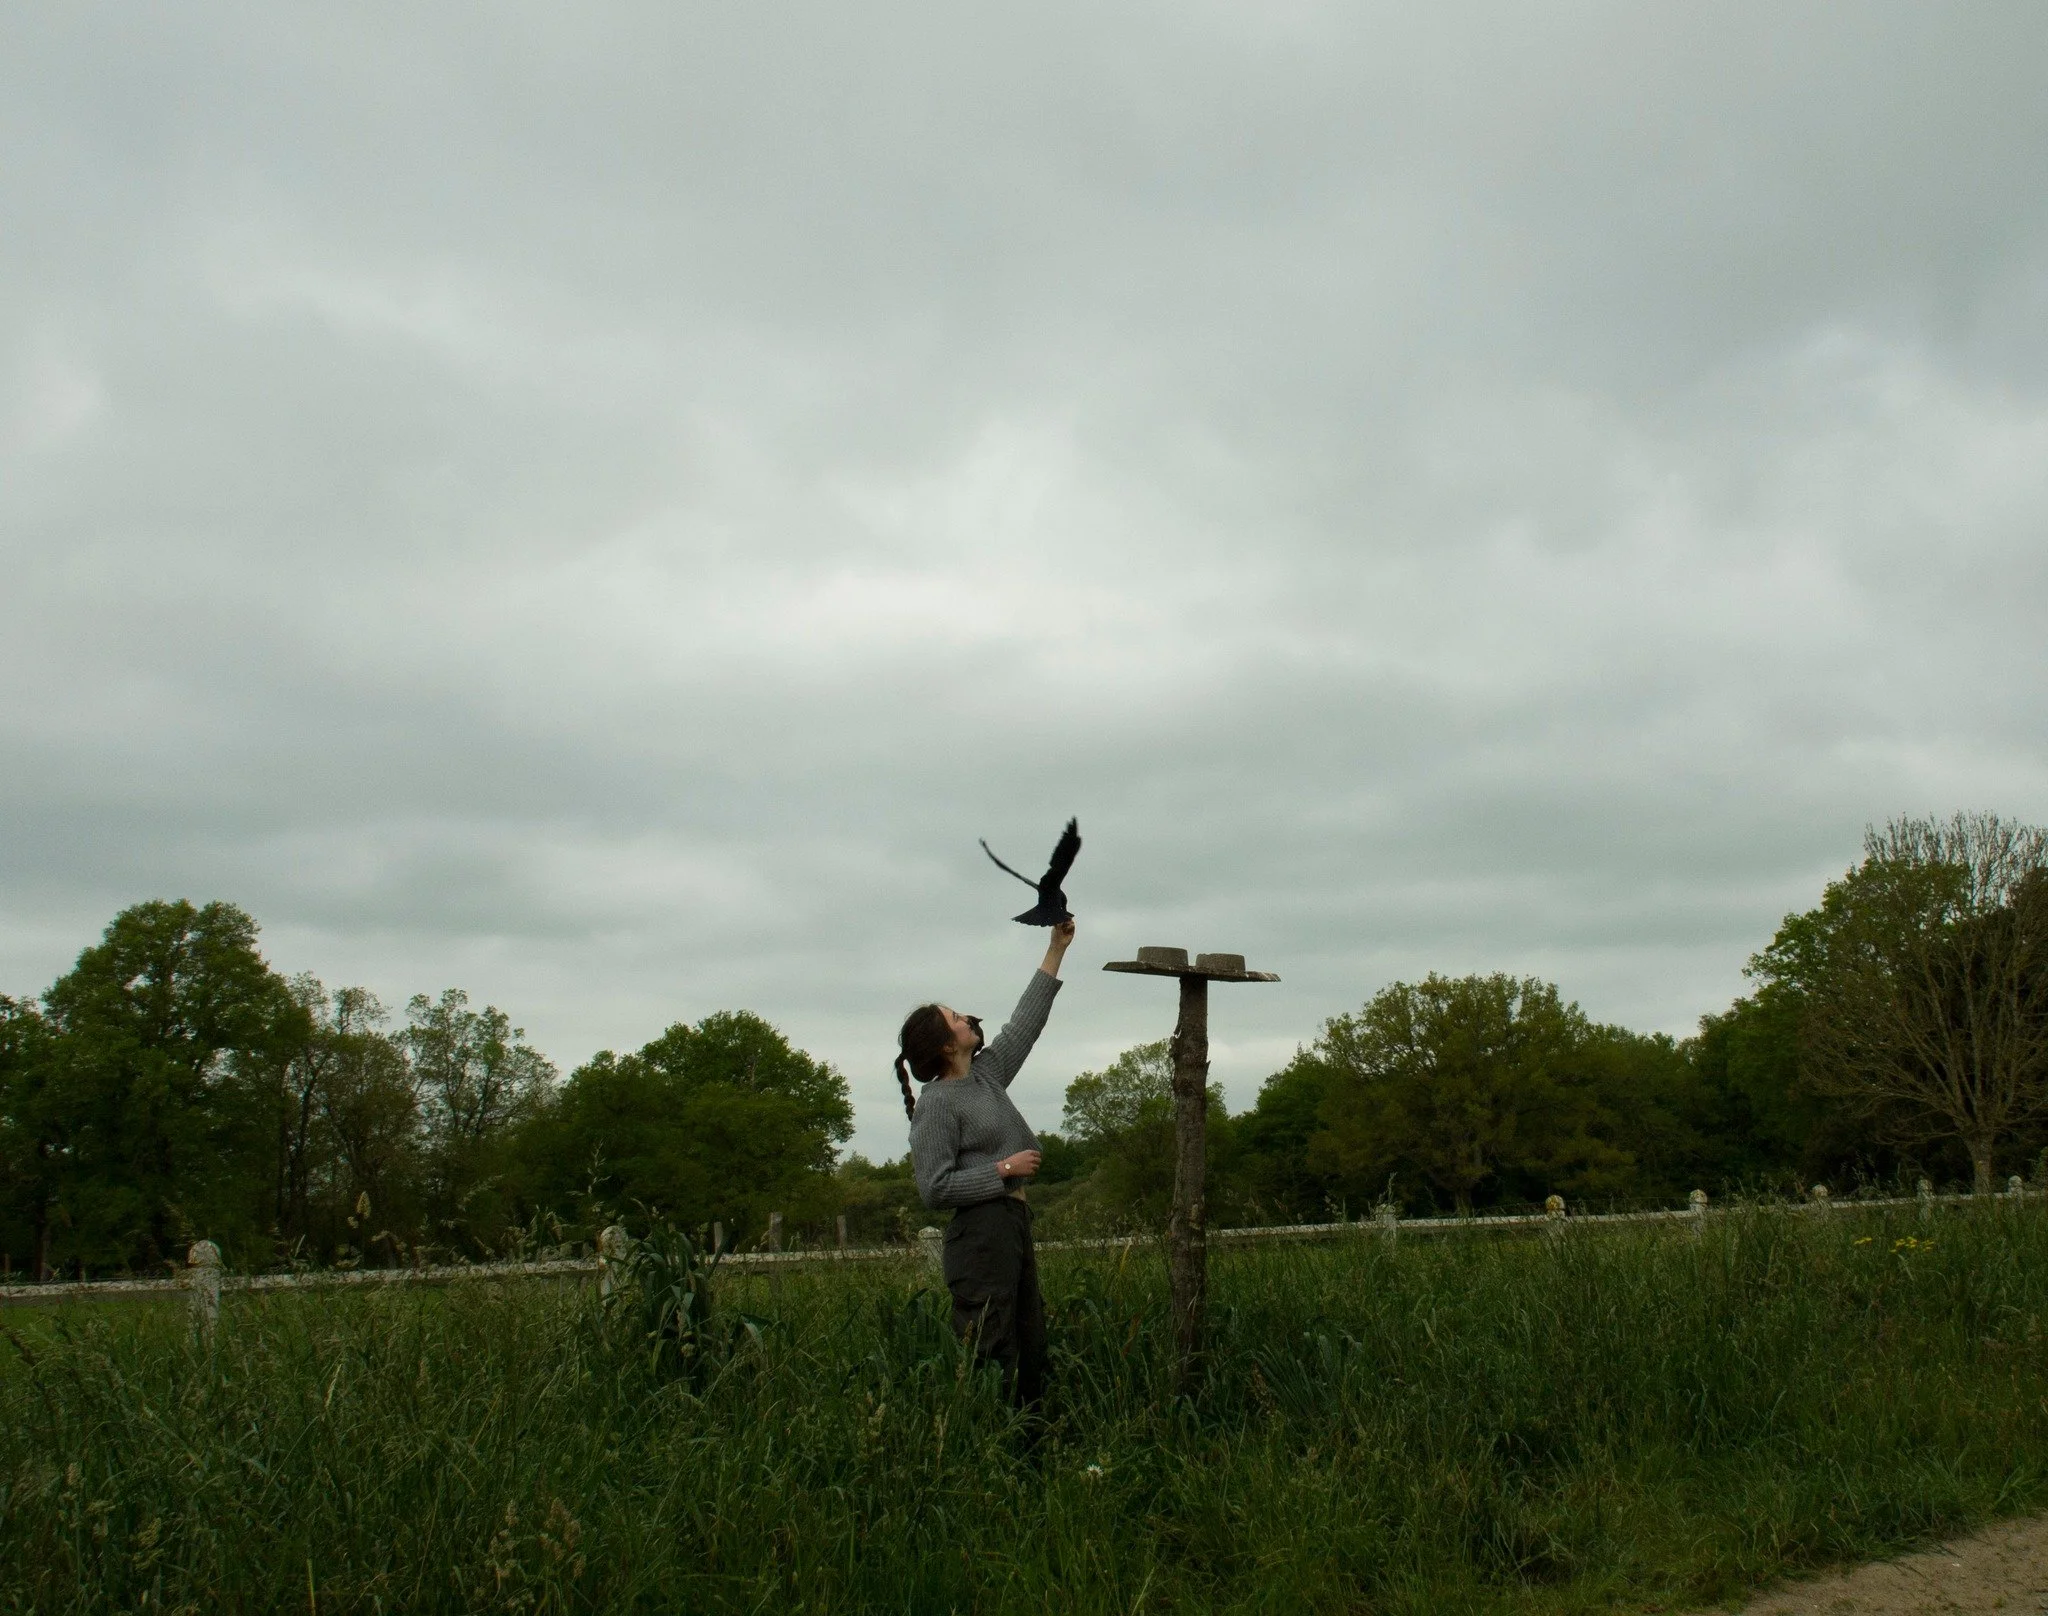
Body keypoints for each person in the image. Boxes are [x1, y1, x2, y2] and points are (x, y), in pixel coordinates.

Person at [897, 918, 1075, 1408]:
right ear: (944, 1045)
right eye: (955, 1018)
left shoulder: (988, 1074)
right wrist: (1003, 1170)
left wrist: (1055, 948)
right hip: (979, 1234)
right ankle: (991, 1449)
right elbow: (933, 1189)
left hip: (1014, 1221)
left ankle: (1033, 1451)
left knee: (1031, 1340)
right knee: (993, 1347)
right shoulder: (936, 1103)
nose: (967, 1019)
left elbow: (1026, 1023)